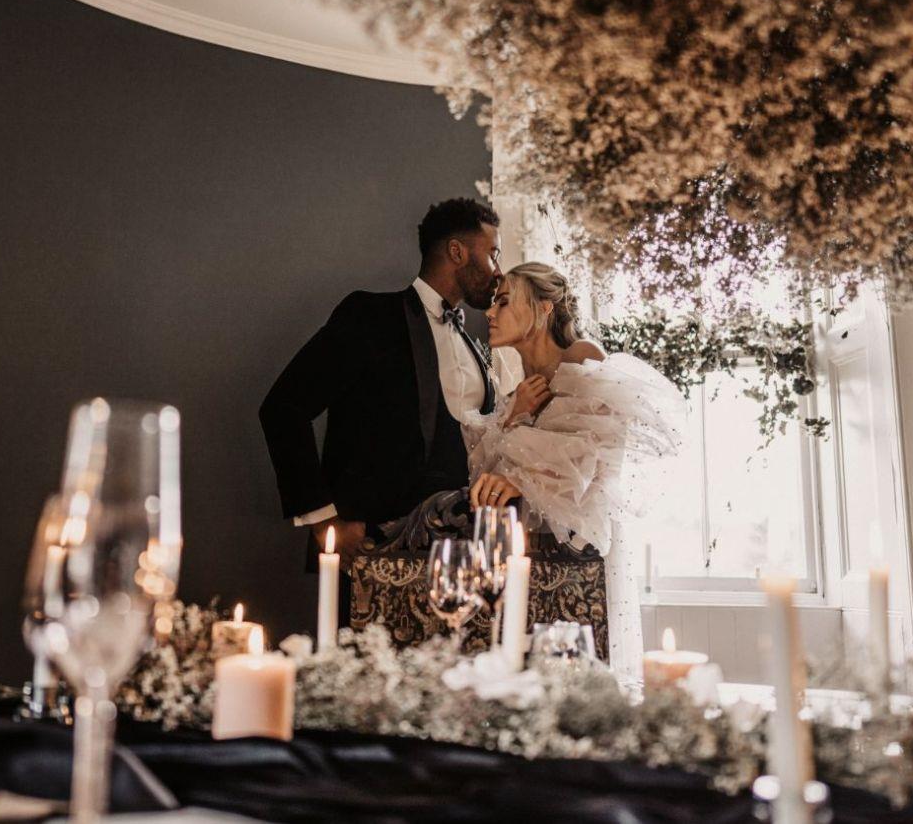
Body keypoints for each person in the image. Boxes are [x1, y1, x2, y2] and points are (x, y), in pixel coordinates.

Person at [258, 198, 505, 630]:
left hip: (461, 556)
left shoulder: (475, 341)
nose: (499, 270)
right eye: (493, 252)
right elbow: (283, 408)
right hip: (372, 545)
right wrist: (324, 518)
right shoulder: (369, 317)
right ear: (457, 252)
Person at [463, 262, 691, 684]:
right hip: (527, 552)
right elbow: (481, 474)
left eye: (504, 301)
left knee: (581, 676)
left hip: (579, 549)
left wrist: (523, 476)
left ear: (544, 308)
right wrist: (513, 418)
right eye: (493, 303)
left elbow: (596, 457)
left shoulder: (584, 358)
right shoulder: (513, 392)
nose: (491, 313)